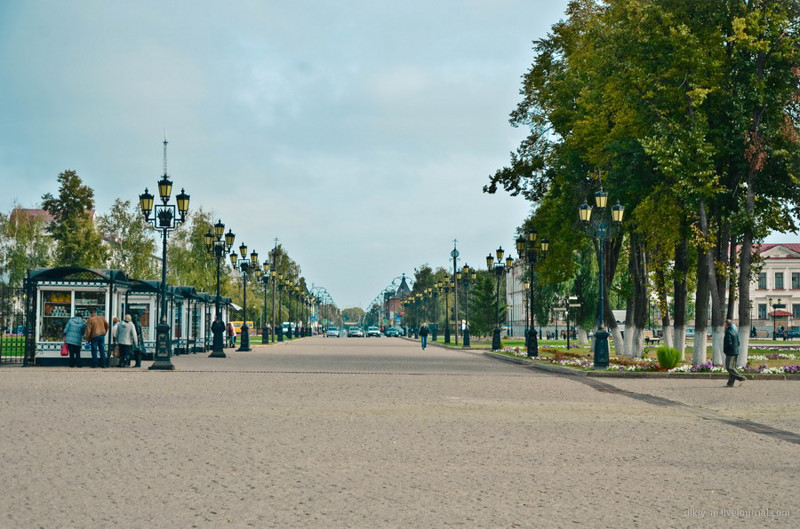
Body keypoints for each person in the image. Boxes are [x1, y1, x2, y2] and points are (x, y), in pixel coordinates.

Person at [723, 319, 745, 387]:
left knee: (729, 367)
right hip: (736, 351)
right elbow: (738, 342)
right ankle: (730, 383)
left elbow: (728, 343)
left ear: (727, 325)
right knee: (732, 367)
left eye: (725, 324)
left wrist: (725, 350)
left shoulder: (728, 332)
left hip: (730, 352)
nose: (724, 326)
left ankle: (741, 378)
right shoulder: (735, 331)